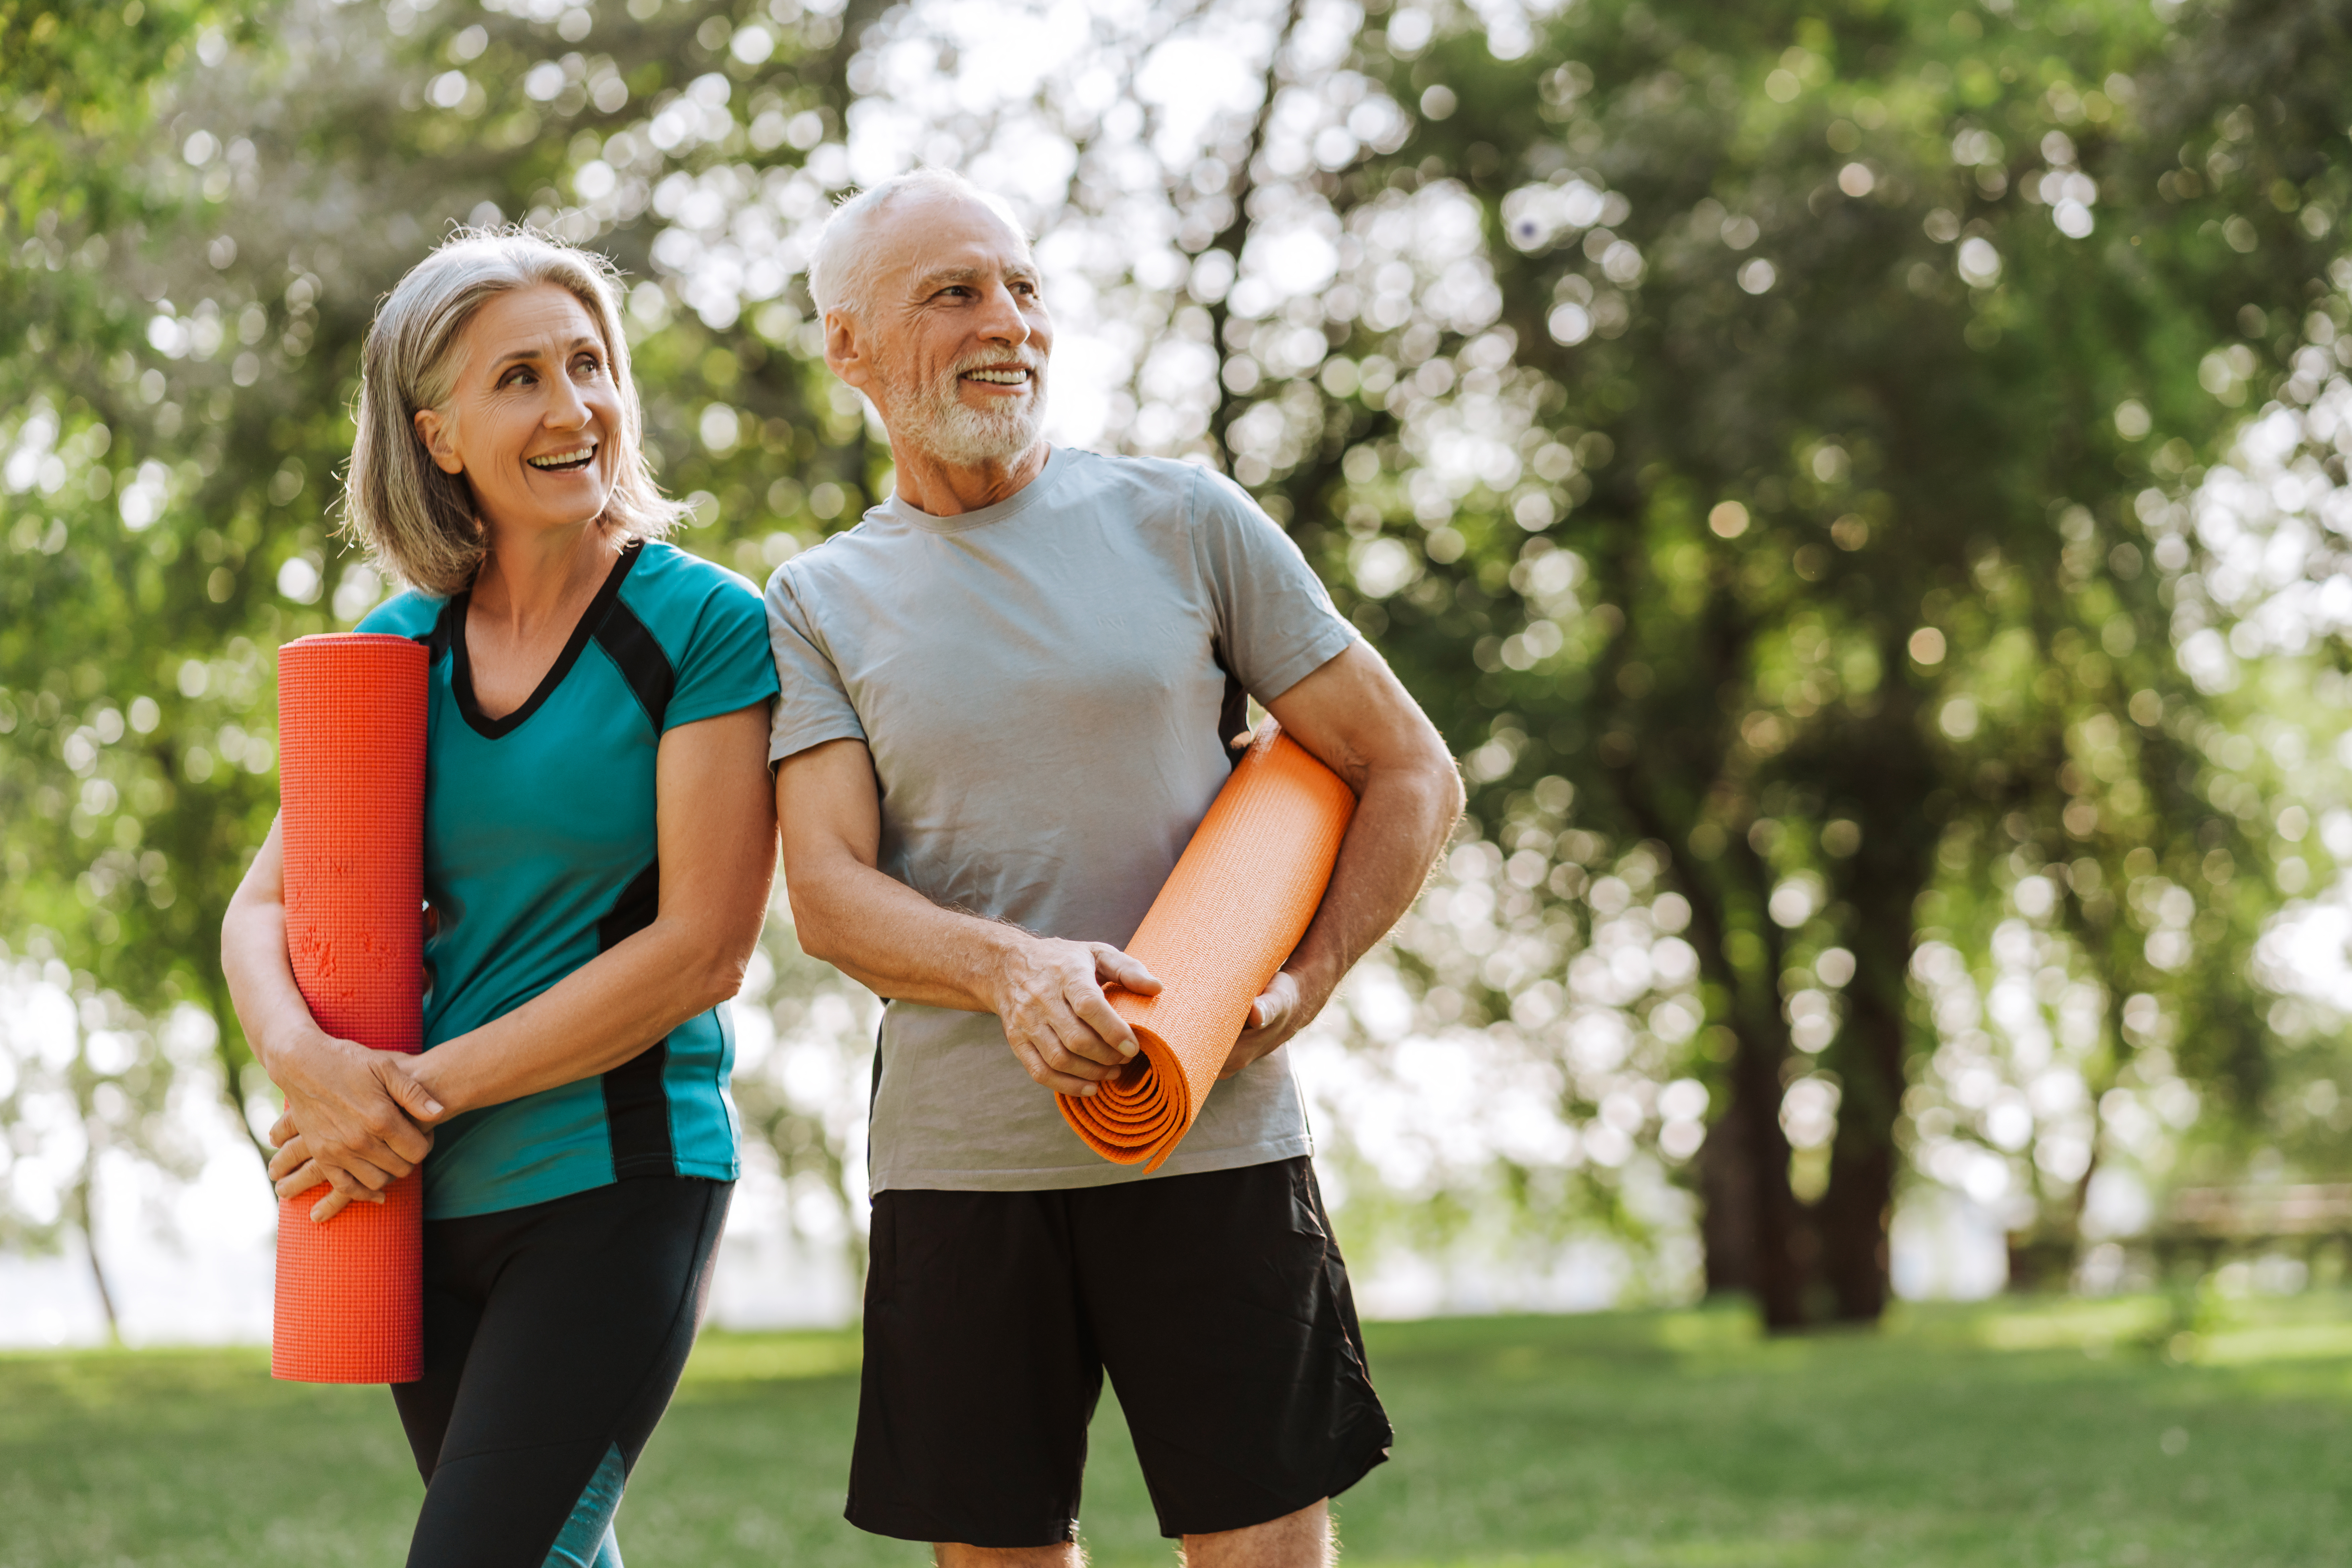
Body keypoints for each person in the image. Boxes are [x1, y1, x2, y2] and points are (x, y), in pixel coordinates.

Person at [766, 169, 1465, 1568]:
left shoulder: (1185, 521)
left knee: (1265, 1553)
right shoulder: (815, 600)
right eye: (954, 292)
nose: (1005, 321)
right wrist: (1012, 969)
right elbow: (830, 895)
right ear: (846, 346)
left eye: (1023, 286)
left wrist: (1306, 976)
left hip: (1210, 1131)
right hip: (963, 1172)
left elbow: (1410, 771)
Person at [221, 229, 779, 1568]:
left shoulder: (704, 625)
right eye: (520, 377)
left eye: (590, 365)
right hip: (423, 1197)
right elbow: (258, 913)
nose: (573, 406)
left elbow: (702, 947)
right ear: (439, 433)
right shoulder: (391, 649)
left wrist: (410, 1094)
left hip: (618, 1178)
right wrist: (313, 1073)